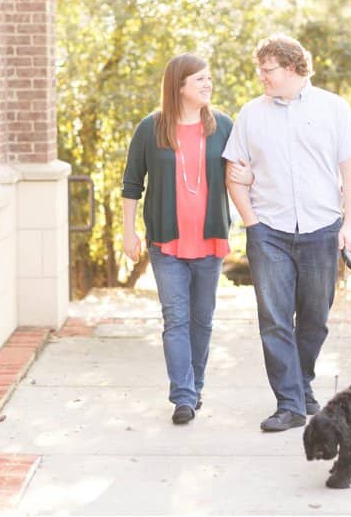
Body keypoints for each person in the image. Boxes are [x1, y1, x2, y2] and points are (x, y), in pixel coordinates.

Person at [222, 34, 351, 433]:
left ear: (292, 67)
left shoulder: (333, 109)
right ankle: (289, 402)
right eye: (260, 70)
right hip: (269, 231)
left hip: (322, 229)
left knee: (315, 319)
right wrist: (251, 221)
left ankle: (301, 383)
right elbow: (234, 171)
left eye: (267, 70)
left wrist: (349, 225)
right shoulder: (251, 113)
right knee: (274, 320)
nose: (261, 77)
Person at [121, 53, 235, 425]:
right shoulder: (150, 129)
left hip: (209, 242)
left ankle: (195, 385)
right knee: (176, 320)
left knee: (202, 320)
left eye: (208, 78)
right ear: (179, 86)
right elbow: (132, 185)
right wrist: (128, 231)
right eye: (199, 79)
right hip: (166, 244)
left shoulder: (222, 127)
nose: (207, 84)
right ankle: (183, 396)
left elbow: (238, 175)